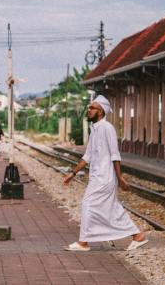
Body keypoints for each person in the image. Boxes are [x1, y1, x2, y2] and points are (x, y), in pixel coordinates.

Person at [63, 95, 147, 252]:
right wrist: (72, 173)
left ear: (100, 111)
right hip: (97, 176)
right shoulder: (94, 129)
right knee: (110, 208)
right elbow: (87, 156)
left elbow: (115, 155)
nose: (89, 110)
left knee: (88, 204)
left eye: (92, 108)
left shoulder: (107, 128)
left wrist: (120, 177)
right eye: (89, 108)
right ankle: (137, 235)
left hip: (105, 177)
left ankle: (83, 243)